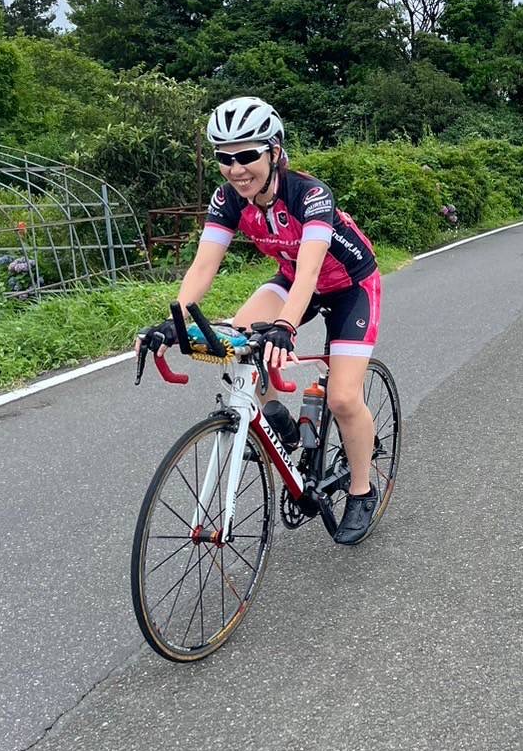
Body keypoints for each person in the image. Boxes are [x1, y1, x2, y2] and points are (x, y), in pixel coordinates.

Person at [137, 96, 382, 545]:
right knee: (239, 341)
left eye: (247, 155)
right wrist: (175, 320)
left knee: (344, 398)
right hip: (291, 279)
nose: (235, 169)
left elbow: (311, 269)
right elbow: (204, 265)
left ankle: (362, 490)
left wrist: (285, 327)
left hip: (349, 286)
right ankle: (274, 417)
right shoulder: (228, 199)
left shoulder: (310, 195)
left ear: (274, 151)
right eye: (224, 158)